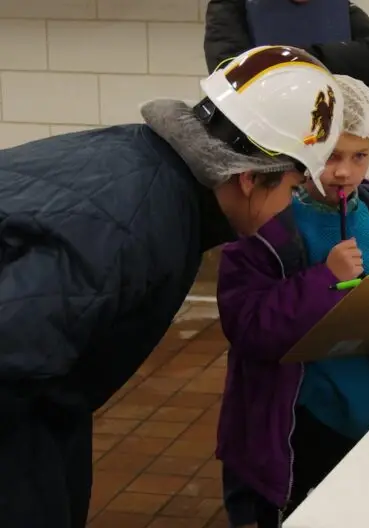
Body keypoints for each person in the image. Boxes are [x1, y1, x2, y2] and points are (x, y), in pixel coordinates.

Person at [0, 45, 343, 528]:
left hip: (38, 405)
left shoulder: (144, 163)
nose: (292, 208)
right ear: (248, 178)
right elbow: (12, 356)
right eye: (293, 190)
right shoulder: (135, 224)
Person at [215, 74, 369, 528]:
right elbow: (248, 327)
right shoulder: (265, 222)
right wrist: (325, 279)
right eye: (330, 156)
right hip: (296, 422)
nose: (344, 171)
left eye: (359, 156)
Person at [204, 0, 369, 92]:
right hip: (262, 145)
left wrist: (298, 56)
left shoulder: (334, 7)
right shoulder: (231, 6)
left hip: (333, 140)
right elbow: (233, 75)